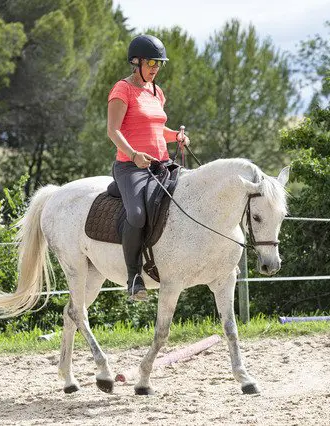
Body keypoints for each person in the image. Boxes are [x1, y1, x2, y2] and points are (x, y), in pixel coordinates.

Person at [107, 34, 190, 302]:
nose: (155, 68)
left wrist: (175, 136)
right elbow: (113, 130)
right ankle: (133, 278)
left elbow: (155, 129)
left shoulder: (157, 91)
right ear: (137, 62)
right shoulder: (122, 89)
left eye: (159, 63)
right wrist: (132, 155)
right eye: (152, 62)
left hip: (161, 164)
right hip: (131, 168)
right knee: (138, 215)